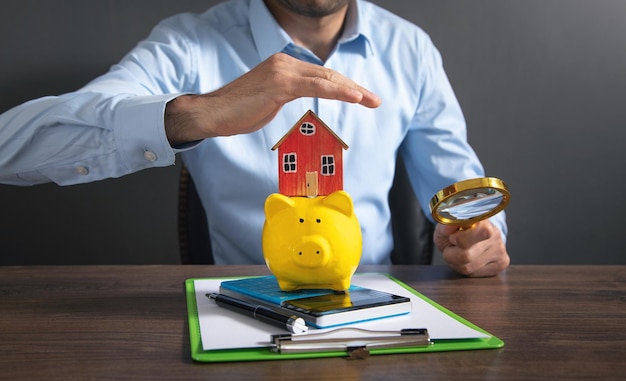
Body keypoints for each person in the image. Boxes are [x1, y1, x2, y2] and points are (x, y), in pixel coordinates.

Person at [0, 0, 509, 277]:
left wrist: (483, 238)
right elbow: (12, 152)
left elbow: (459, 184)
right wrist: (198, 113)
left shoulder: (410, 48)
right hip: (238, 313)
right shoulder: (186, 45)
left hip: (378, 315)